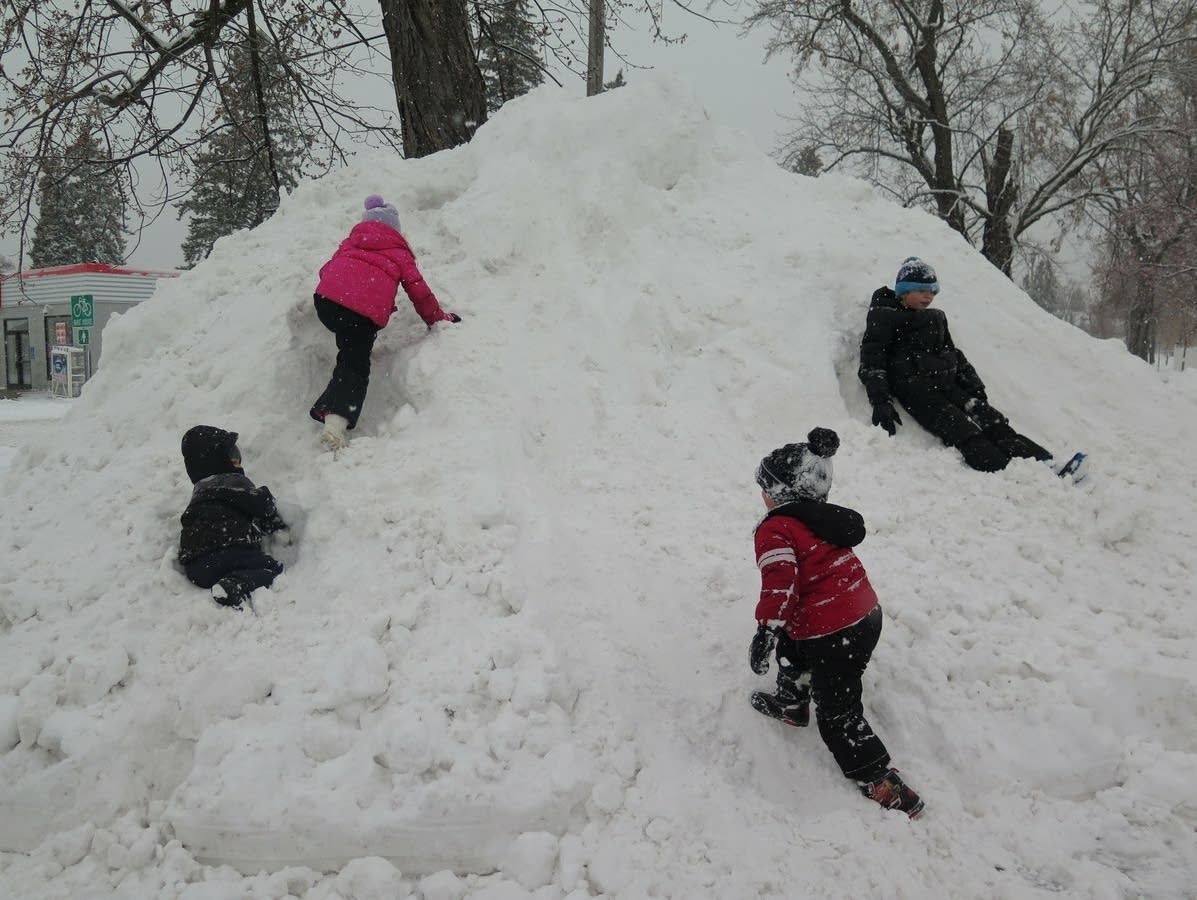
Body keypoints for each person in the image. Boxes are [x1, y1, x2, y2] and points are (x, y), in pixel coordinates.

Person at [749, 428, 924, 818]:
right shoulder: (821, 519)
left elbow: (781, 581)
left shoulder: (775, 527)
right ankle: (792, 703)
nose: (761, 494)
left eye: (765, 486)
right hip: (861, 616)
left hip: (834, 630)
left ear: (780, 494)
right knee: (793, 645)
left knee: (838, 710)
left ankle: (880, 780)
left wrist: (766, 629)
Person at [858, 257, 1054, 473]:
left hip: (947, 384)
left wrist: (974, 388)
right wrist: (880, 402)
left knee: (993, 421)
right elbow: (872, 360)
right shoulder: (885, 317)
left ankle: (1047, 465)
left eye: (933, 291)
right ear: (904, 291)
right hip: (917, 391)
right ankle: (1009, 473)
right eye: (922, 290)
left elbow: (953, 355)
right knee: (963, 429)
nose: (928, 296)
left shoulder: (935, 318)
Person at [309, 194, 461, 449]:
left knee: (348, 348)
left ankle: (331, 406)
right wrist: (438, 318)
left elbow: (327, 270)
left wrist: (343, 289)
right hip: (360, 314)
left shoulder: (351, 242)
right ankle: (335, 423)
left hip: (326, 302)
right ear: (395, 229)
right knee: (354, 365)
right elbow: (419, 292)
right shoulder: (399, 252)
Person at [178, 425, 288, 609]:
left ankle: (228, 578)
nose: (237, 460)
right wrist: (273, 518)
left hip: (197, 566)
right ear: (218, 460)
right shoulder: (233, 482)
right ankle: (236, 584)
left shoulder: (199, 492)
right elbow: (260, 504)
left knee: (223, 566)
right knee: (271, 569)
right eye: (232, 455)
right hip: (231, 549)